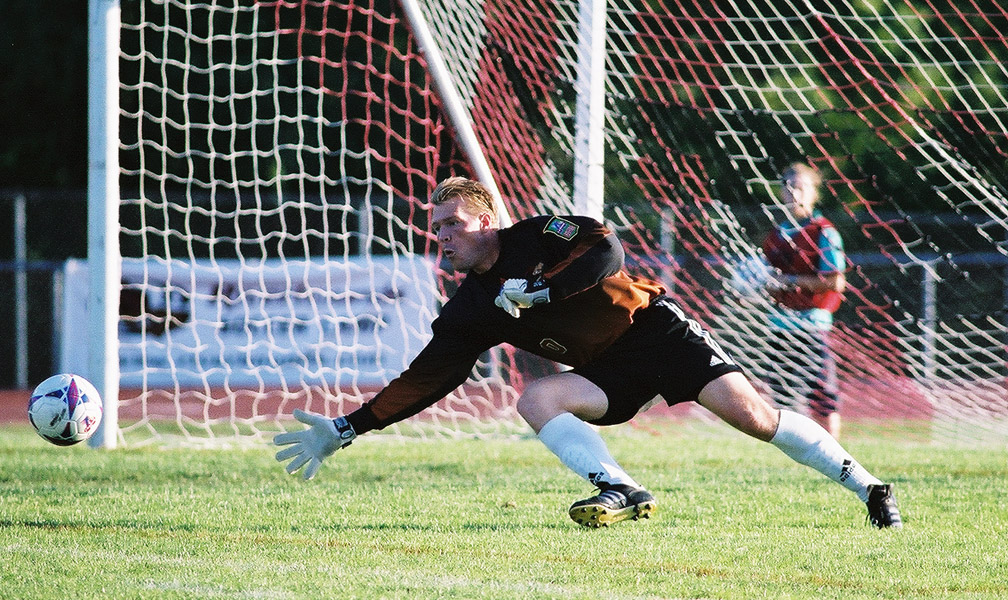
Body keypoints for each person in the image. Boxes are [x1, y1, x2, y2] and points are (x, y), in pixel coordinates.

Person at [274, 176, 902, 529]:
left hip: (655, 330)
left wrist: (540, 288)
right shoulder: (470, 307)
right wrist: (346, 428)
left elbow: (607, 252)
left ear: (489, 221)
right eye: (435, 228)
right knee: (538, 397)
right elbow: (429, 377)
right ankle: (621, 488)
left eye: (452, 225)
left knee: (756, 420)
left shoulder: (537, 236)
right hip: (605, 368)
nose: (441, 238)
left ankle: (870, 487)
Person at [761, 163, 846, 439]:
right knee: (782, 403)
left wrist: (790, 282)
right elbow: (769, 283)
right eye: (788, 186)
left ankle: (836, 458)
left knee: (823, 401)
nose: (793, 193)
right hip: (779, 328)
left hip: (812, 327)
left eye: (801, 187)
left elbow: (835, 281)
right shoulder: (775, 236)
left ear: (814, 193)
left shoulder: (824, 232)